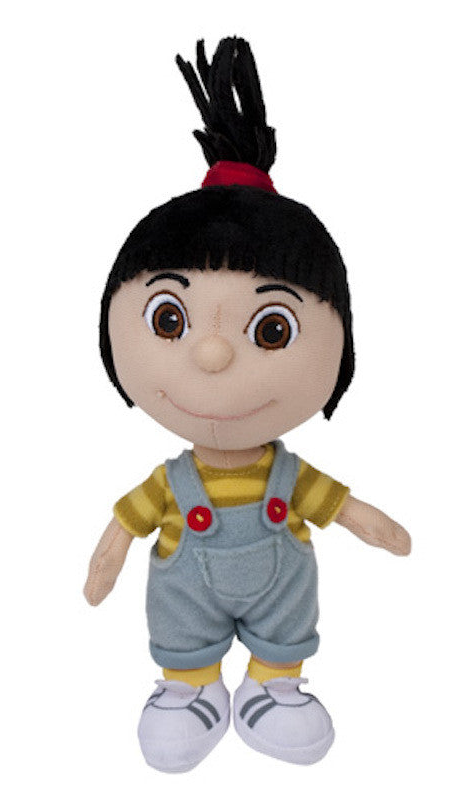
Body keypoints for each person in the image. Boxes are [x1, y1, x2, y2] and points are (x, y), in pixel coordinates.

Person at [84, 36, 411, 773]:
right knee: (180, 622)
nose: (211, 355)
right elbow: (127, 524)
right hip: (186, 599)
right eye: (170, 319)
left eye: (271, 330)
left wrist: (369, 522)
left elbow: (335, 504)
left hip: (279, 596)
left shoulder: (291, 478)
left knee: (287, 620)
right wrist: (107, 558)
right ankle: (189, 686)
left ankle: (274, 684)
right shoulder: (171, 484)